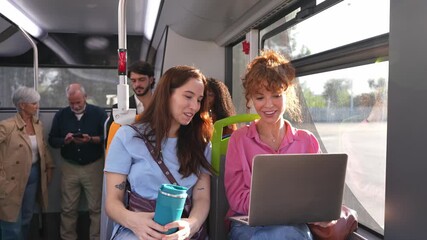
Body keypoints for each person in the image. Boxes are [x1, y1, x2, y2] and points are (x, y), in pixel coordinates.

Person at [104, 65, 214, 240]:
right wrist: (134, 221)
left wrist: (190, 225)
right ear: (166, 94)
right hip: (136, 228)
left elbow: (201, 197)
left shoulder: (200, 143)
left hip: (182, 230)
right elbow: (112, 202)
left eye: (199, 100)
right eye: (188, 96)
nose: (194, 106)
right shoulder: (128, 136)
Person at [224, 50, 324, 239]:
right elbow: (237, 198)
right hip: (248, 225)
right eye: (260, 98)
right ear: (251, 100)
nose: (268, 105)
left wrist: (320, 212)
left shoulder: (307, 141)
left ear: (288, 94)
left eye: (276, 95)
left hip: (294, 224)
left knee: (288, 232)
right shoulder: (239, 140)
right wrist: (286, 203)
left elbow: (317, 192)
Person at [48, 83, 107, 240]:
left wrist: (91, 139)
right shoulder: (61, 115)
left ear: (85, 97)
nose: (75, 106)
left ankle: (97, 237)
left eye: (78, 102)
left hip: (94, 165)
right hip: (70, 166)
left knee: (96, 208)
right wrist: (65, 141)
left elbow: (108, 138)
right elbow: (52, 140)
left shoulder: (99, 113)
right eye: (71, 103)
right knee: (67, 209)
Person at [0, 86, 54, 240]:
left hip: (34, 175)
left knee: (27, 217)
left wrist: (49, 166)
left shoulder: (37, 124)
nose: (37, 106)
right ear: (22, 105)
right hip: (11, 178)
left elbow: (43, 147)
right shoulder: (7, 126)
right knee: (11, 219)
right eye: (34, 103)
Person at [105, 60, 155, 141]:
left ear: (151, 80)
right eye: (133, 80)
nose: (137, 84)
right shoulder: (118, 108)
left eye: (141, 80)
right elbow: (112, 140)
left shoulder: (163, 105)